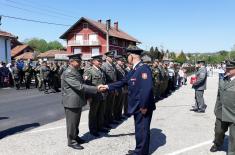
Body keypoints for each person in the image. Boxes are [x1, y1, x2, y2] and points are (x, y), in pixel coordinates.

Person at [101, 45, 156, 155]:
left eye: (128, 56)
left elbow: (146, 89)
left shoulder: (143, 68)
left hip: (142, 106)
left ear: (132, 56)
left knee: (142, 130)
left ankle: (141, 152)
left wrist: (144, 106)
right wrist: (107, 87)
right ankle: (139, 149)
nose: (127, 58)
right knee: (139, 129)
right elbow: (123, 81)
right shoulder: (135, 69)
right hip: (137, 105)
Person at [61, 53, 105, 150]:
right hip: (71, 101)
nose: (80, 63)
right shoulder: (68, 72)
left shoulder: (74, 71)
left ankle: (75, 137)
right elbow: (79, 86)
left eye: (80, 61)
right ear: (71, 62)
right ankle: (71, 141)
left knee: (76, 122)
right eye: (78, 61)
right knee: (72, 122)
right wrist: (96, 89)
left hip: (76, 100)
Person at [210, 60, 235, 154]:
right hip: (221, 111)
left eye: (230, 69)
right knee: (218, 131)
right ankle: (217, 143)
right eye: (226, 68)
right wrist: (216, 108)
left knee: (233, 137)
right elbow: (218, 96)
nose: (227, 70)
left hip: (233, 114)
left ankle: (231, 152)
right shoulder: (222, 80)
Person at [83, 54, 108, 137]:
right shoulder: (89, 71)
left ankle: (100, 127)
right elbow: (87, 85)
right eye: (98, 61)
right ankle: (93, 130)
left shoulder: (101, 70)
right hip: (94, 96)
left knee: (101, 112)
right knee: (93, 113)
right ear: (93, 61)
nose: (100, 62)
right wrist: (89, 97)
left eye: (101, 61)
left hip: (102, 95)